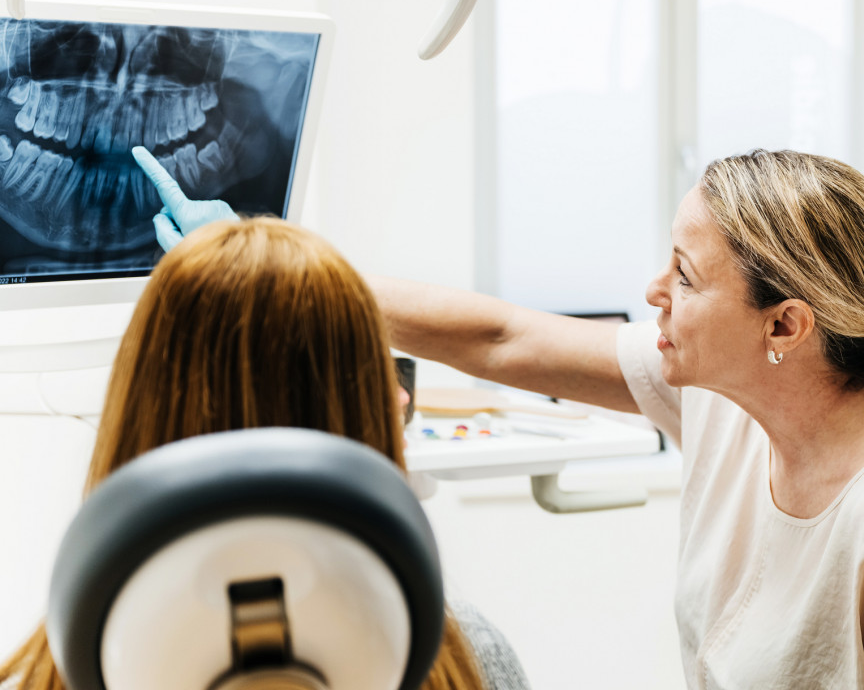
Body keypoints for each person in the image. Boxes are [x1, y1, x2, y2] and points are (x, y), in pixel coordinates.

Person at [128, 146, 864, 688]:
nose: (653, 292)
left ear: (784, 325)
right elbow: (503, 337)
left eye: (687, 275)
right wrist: (277, 259)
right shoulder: (727, 399)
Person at [0, 216, 530, 690]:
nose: (402, 395)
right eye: (376, 370)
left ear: (141, 397)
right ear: (355, 401)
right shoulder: (472, 662)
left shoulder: (39, 675)